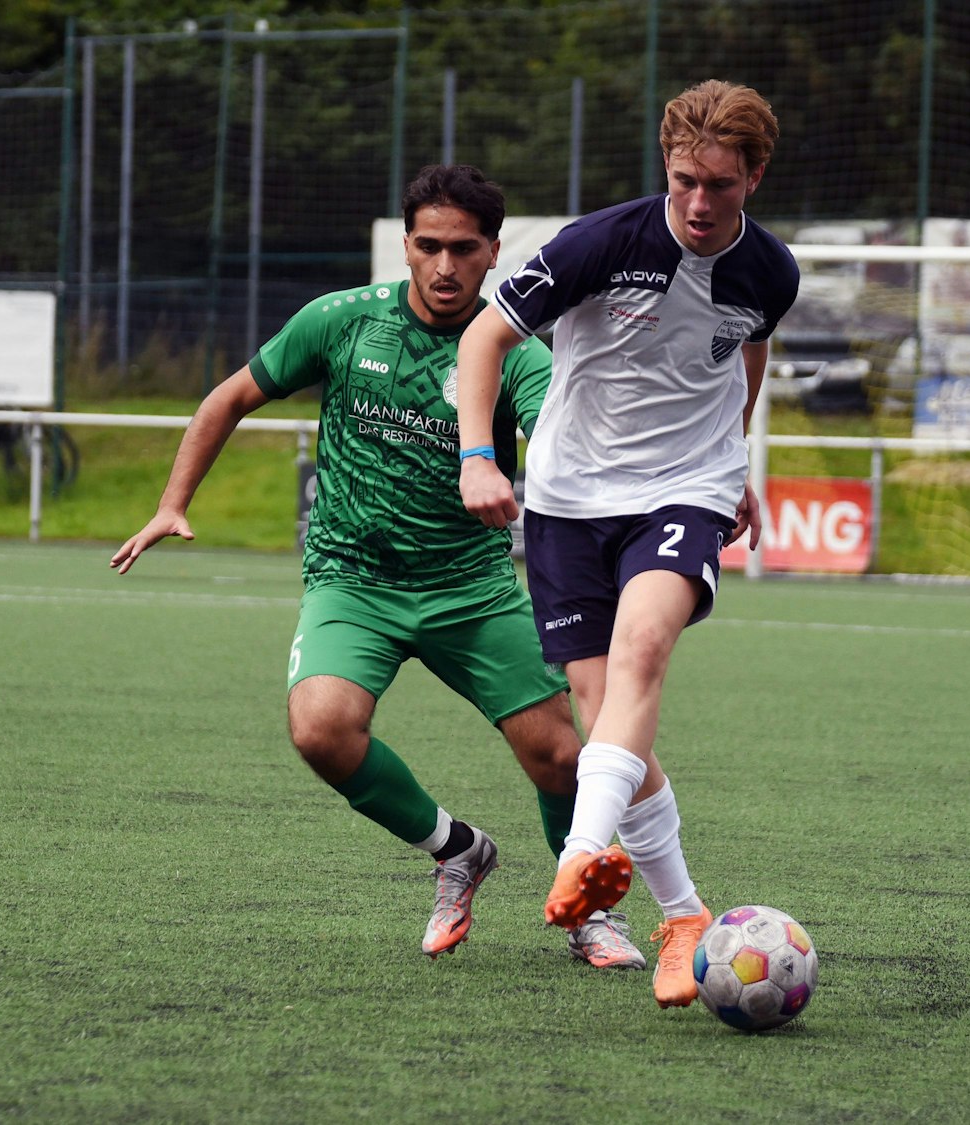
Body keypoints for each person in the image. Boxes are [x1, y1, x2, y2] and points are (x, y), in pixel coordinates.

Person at [112, 165, 645, 969]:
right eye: (427, 245)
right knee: (319, 728)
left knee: (564, 756)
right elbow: (228, 398)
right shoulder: (342, 321)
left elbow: (558, 441)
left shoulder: (519, 355)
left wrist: (527, 473)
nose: (443, 266)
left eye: (463, 248)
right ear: (404, 244)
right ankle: (456, 848)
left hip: (470, 587)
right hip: (352, 580)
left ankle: (589, 913)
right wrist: (172, 500)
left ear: (495, 252)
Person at [453, 81, 799, 1007]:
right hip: (568, 498)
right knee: (602, 711)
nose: (697, 202)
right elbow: (483, 338)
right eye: (684, 180)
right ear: (666, 168)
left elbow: (746, 351)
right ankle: (684, 912)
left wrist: (737, 459)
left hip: (684, 491)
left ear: (753, 177)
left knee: (644, 652)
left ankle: (580, 854)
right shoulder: (600, 241)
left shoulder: (774, 271)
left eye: (719, 186)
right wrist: (479, 457)